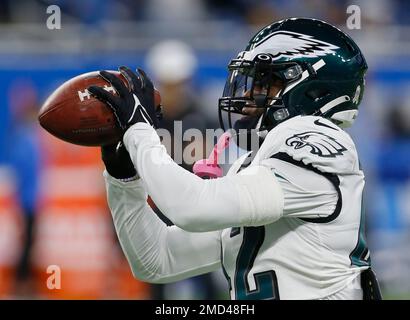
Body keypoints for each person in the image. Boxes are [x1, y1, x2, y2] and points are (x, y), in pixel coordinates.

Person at [88, 18, 382, 300]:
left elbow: (192, 207)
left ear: (313, 90)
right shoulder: (258, 164)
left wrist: (140, 131)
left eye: (266, 83)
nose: (249, 95)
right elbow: (156, 259)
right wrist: (124, 179)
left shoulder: (317, 140)